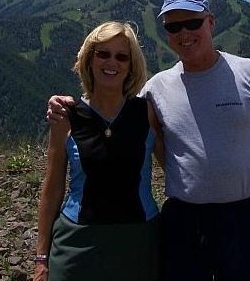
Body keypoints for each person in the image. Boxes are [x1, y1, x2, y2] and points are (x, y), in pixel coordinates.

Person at [47, 0, 250, 281]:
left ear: (211, 22)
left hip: (246, 217)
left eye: (193, 23)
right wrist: (64, 106)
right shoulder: (155, 90)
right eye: (174, 26)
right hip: (183, 219)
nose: (184, 32)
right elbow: (112, 112)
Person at [35, 21, 163, 281]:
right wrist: (41, 257)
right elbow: (52, 188)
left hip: (138, 241)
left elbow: (178, 168)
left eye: (121, 56)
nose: (111, 62)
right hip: (77, 241)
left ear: (130, 66)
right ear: (89, 59)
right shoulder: (66, 116)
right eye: (102, 53)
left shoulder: (146, 112)